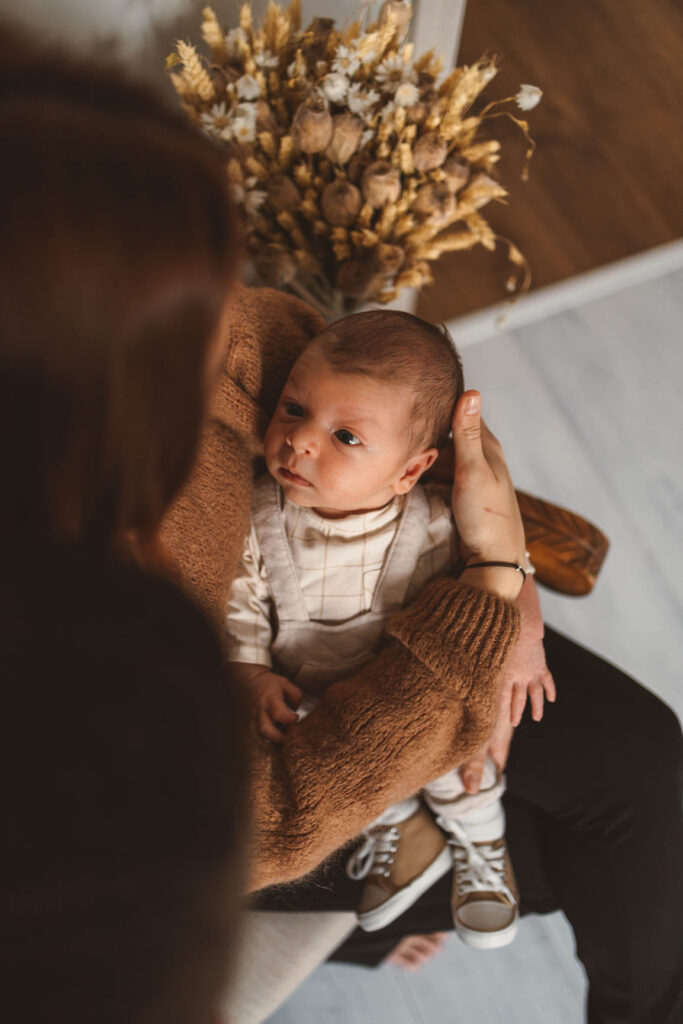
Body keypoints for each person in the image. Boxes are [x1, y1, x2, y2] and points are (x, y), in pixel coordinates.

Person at [0, 23, 527, 1024]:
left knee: (624, 768)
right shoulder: (90, 650)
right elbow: (270, 824)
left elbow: (350, 369)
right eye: (193, 322)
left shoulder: (186, 369)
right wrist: (492, 586)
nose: (234, 350)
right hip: (298, 760)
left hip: (380, 668)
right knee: (546, 821)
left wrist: (506, 563)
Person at [225, 309, 555, 949]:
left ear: (409, 471)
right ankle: (401, 833)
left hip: (421, 680)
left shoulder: (431, 519)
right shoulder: (259, 517)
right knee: (338, 763)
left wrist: (522, 635)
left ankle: (482, 838)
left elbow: (499, 567)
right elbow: (242, 597)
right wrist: (250, 670)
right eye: (294, 408)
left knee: (464, 764)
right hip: (317, 693)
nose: (300, 442)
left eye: (346, 437)